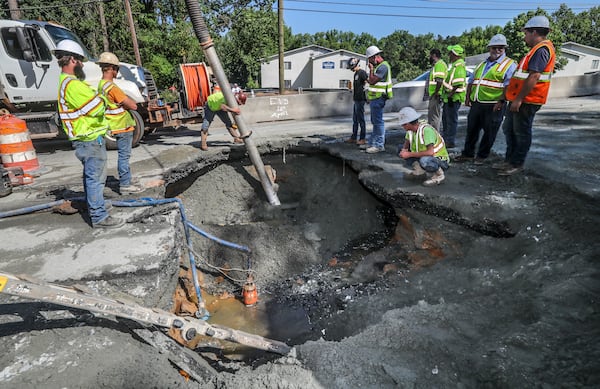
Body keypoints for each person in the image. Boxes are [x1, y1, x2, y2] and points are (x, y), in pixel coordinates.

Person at [53, 40, 123, 228]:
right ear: (73, 60)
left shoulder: (68, 83)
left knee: (92, 177)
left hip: (87, 138)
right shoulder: (73, 85)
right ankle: (99, 216)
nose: (83, 64)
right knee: (95, 178)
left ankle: (96, 205)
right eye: (80, 60)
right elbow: (96, 108)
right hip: (89, 138)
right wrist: (101, 97)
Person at [497, 15, 556, 176]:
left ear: (534, 32)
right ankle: (510, 160)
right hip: (519, 99)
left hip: (527, 100)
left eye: (526, 33)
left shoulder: (542, 50)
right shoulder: (536, 50)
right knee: (509, 129)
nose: (525, 36)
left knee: (521, 132)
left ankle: (516, 163)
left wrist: (519, 99)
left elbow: (534, 76)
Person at [454, 35, 516, 165]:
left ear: (504, 49)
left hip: (494, 104)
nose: (497, 50)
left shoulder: (509, 64)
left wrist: (501, 101)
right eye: (494, 47)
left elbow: (508, 85)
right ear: (489, 48)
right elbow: (471, 81)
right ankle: (468, 154)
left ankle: (481, 156)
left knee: (490, 132)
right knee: (472, 130)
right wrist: (467, 98)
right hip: (477, 103)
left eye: (500, 48)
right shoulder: (482, 64)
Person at [96, 52, 144, 195]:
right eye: (116, 68)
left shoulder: (101, 85)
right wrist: (129, 102)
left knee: (123, 155)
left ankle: (126, 179)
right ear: (111, 68)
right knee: (124, 155)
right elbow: (133, 105)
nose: (117, 72)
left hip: (115, 125)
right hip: (122, 125)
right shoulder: (112, 87)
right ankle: (125, 184)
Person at [397, 107, 449, 186]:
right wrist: (404, 150)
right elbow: (406, 144)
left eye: (403, 124)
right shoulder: (410, 131)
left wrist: (409, 154)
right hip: (425, 156)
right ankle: (419, 171)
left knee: (425, 160)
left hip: (439, 159)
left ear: (408, 123)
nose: (402, 126)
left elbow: (430, 152)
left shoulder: (426, 131)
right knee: (400, 149)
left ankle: (439, 175)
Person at [364, 45, 393, 154]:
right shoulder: (379, 66)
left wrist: (371, 70)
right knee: (375, 121)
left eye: (370, 59)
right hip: (375, 97)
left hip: (379, 98)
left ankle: (379, 145)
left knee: (378, 122)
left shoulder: (383, 67)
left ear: (375, 57)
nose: (369, 62)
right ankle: (373, 142)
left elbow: (372, 81)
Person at [200, 85, 244, 151]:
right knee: (206, 125)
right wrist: (234, 110)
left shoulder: (232, 99)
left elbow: (224, 107)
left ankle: (236, 138)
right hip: (211, 106)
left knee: (228, 123)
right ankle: (203, 144)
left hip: (220, 107)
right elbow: (223, 107)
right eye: (238, 103)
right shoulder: (228, 97)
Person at [441, 44, 467, 148]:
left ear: (455, 54)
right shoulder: (455, 65)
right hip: (450, 97)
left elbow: (457, 83)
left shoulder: (459, 66)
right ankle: (446, 139)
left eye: (450, 53)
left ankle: (450, 141)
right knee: (447, 120)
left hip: (454, 97)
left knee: (451, 121)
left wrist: (450, 96)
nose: (449, 55)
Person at [345, 57, 368, 145]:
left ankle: (362, 138)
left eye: (351, 67)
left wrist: (367, 96)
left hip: (361, 99)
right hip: (356, 99)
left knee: (361, 119)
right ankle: (354, 137)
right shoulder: (356, 74)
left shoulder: (362, 73)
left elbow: (367, 84)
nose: (351, 69)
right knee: (355, 119)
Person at [424, 49, 447, 132]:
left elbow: (439, 80)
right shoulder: (437, 65)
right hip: (434, 95)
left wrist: (436, 93)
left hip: (436, 95)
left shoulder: (439, 65)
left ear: (434, 55)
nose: (429, 57)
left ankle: (434, 136)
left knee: (434, 118)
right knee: (432, 117)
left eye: (430, 55)